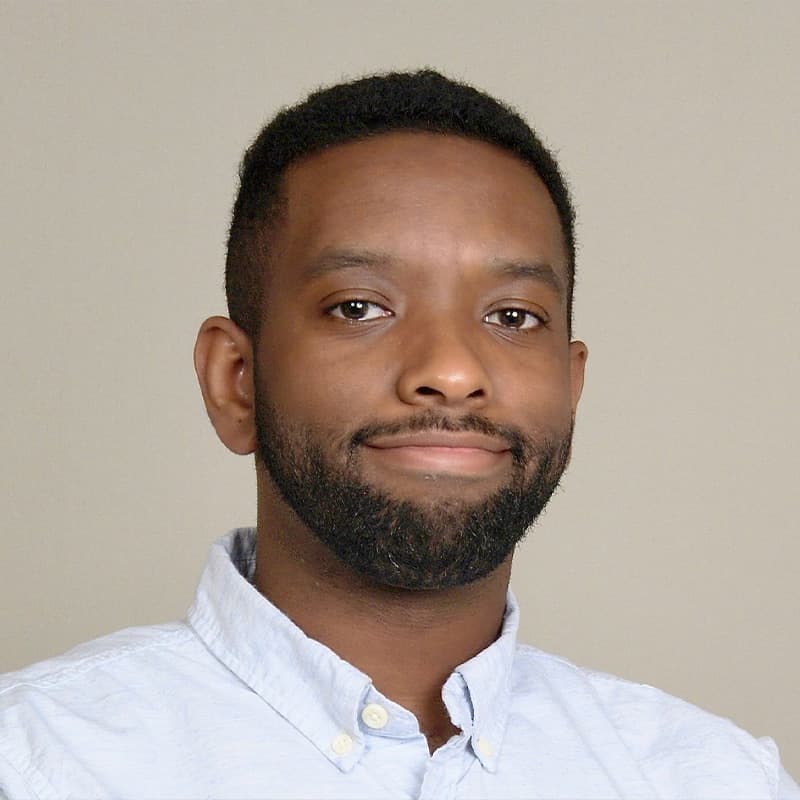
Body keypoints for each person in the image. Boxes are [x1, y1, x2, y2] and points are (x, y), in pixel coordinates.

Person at [0, 70, 796, 799]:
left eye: (513, 316)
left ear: (573, 386)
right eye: (359, 307)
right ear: (235, 381)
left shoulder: (714, 778)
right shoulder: (37, 761)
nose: (452, 371)